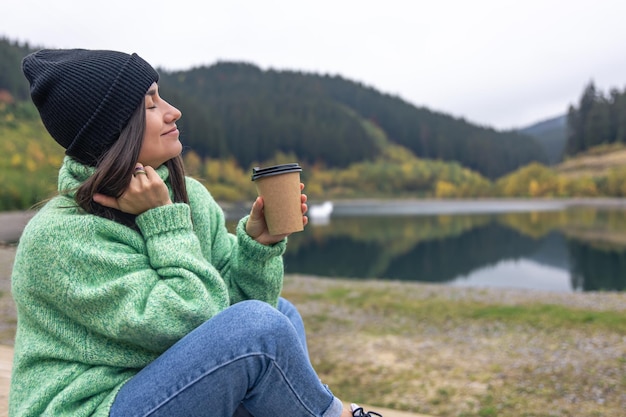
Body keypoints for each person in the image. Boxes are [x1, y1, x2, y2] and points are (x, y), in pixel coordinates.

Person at [9, 49, 383, 417]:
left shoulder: (190, 197)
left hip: (155, 384)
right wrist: (163, 222)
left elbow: (227, 312)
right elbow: (190, 323)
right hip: (93, 405)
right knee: (262, 328)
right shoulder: (60, 239)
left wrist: (256, 249)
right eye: (151, 104)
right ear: (111, 130)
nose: (173, 111)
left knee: (282, 315)